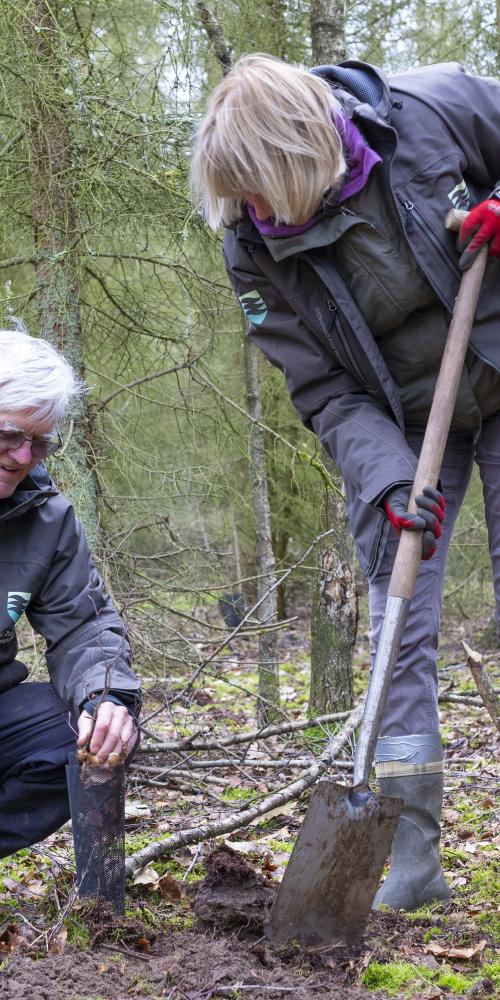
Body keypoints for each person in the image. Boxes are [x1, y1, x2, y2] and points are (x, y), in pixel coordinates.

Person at [191, 54, 500, 911]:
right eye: (239, 198)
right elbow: (320, 385)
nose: (252, 212)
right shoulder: (251, 246)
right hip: (397, 420)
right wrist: (386, 482)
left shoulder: (434, 111)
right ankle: (411, 859)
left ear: (304, 155)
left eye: (262, 190)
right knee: (400, 627)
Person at [0, 324, 141, 858]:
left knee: (78, 735)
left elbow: (82, 624)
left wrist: (105, 698)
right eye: (9, 434)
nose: (22, 456)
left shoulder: (46, 517)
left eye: (39, 442)